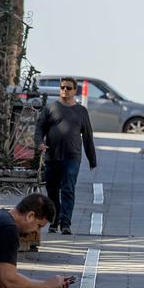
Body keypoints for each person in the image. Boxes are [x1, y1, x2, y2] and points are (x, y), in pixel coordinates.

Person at [35, 77, 96, 235]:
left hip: (72, 158)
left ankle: (66, 223)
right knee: (53, 191)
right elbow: (39, 128)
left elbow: (88, 136)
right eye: (62, 87)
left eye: (68, 88)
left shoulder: (81, 111)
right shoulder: (50, 108)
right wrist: (39, 143)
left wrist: (92, 159)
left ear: (75, 90)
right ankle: (54, 222)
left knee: (68, 189)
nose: (64, 90)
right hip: (52, 157)